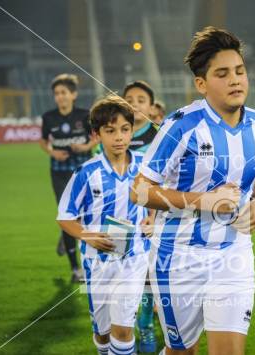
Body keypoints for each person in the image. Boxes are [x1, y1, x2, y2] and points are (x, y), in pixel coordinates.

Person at [131, 26, 255, 355]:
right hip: (178, 257)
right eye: (222, 74)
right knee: (183, 351)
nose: (235, 80)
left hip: (234, 254)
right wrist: (204, 202)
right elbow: (139, 191)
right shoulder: (181, 125)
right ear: (201, 84)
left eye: (239, 71)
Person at [57, 95, 151, 355]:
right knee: (103, 332)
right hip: (97, 261)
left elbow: (159, 199)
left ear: (132, 131)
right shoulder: (86, 173)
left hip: (134, 258)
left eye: (124, 129)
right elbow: (65, 216)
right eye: (110, 131)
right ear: (97, 135)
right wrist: (86, 235)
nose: (119, 137)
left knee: (123, 329)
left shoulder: (146, 168)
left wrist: (152, 218)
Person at [39, 74, 96, 283]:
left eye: (64, 93)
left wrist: (85, 147)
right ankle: (75, 269)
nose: (60, 97)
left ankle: (67, 236)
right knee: (67, 215)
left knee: (85, 215)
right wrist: (52, 152)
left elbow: (97, 136)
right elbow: (43, 141)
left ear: (73, 94)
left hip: (83, 171)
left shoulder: (85, 115)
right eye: (57, 94)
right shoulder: (49, 117)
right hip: (59, 172)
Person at [122, 80, 159, 352]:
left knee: (146, 276)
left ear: (151, 106)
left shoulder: (159, 136)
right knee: (118, 274)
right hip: (118, 218)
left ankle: (145, 326)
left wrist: (153, 216)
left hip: (148, 218)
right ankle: (122, 332)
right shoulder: (113, 133)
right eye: (129, 99)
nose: (134, 103)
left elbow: (164, 181)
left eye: (141, 99)